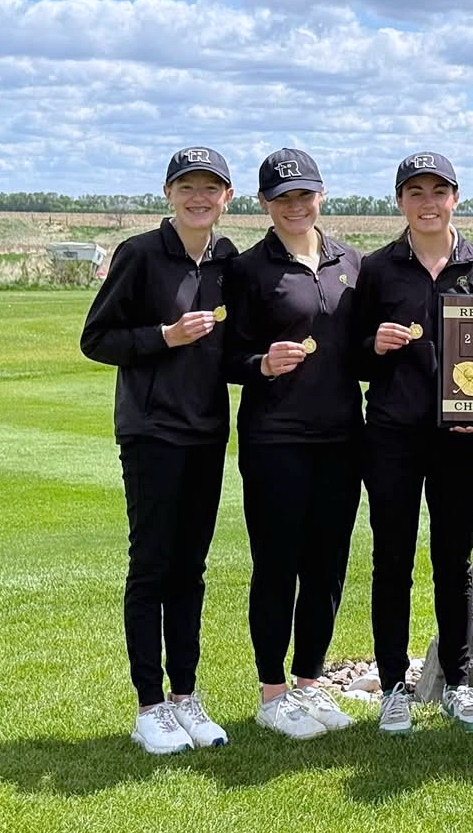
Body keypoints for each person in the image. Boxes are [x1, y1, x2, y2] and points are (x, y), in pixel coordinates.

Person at [80, 146, 237, 754]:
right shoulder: (140, 254)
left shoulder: (227, 259)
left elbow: (233, 350)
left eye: (211, 188)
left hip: (205, 433)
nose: (199, 198)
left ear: (227, 197)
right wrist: (163, 337)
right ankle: (150, 705)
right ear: (169, 193)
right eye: (187, 187)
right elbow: (97, 339)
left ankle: (185, 697)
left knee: (190, 570)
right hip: (151, 433)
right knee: (152, 566)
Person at [355, 152, 473, 735]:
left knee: (452, 561)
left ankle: (457, 684)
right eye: (415, 192)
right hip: (391, 433)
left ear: (455, 199)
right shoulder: (377, 269)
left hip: (459, 441)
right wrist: (376, 345)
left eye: (439, 191)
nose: (428, 202)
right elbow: (352, 355)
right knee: (391, 559)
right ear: (400, 202)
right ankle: (393, 684)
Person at [225, 147, 364, 740]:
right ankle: (272, 693)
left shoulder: (351, 263)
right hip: (275, 438)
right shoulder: (250, 268)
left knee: (328, 566)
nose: (295, 206)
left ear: (321, 194)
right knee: (278, 564)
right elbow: (226, 356)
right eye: (282, 198)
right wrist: (261, 363)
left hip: (341, 436)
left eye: (304, 195)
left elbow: (360, 350)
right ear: (264, 204)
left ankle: (309, 684)